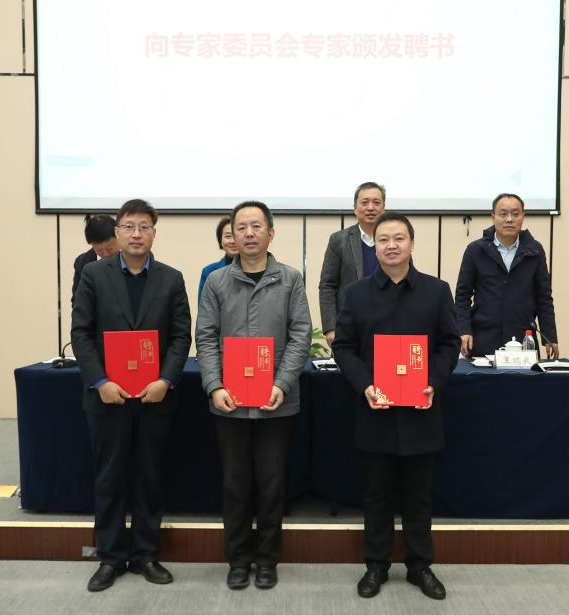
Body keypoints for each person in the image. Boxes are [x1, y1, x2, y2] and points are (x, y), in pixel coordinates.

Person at [331, 212, 461, 601]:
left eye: (399, 238)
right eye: (384, 239)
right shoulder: (356, 294)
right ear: (375, 247)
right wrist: (366, 386)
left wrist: (433, 382)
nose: (391, 245)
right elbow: (344, 348)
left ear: (412, 244)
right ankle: (376, 565)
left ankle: (420, 566)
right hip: (377, 409)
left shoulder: (436, 291)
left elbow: (449, 344)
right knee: (377, 495)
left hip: (421, 410)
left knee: (419, 495)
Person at [70, 199, 192, 592]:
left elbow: (181, 336)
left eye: (144, 227)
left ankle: (145, 555)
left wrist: (166, 380)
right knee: (109, 478)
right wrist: (100, 381)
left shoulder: (171, 278)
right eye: (129, 227)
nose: (136, 234)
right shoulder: (94, 274)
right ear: (117, 232)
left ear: (154, 232)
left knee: (149, 477)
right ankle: (109, 557)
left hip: (155, 397)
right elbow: (81, 333)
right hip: (109, 397)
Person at [195, 201, 312, 591]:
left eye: (256, 226)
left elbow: (300, 335)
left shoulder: (290, 279)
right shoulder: (216, 282)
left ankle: (267, 559)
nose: (248, 233)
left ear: (270, 234)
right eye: (241, 227)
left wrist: (282, 383)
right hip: (229, 403)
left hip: (277, 402)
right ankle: (238, 559)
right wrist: (214, 386)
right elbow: (205, 337)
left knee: (272, 484)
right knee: (235, 484)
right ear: (232, 234)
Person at [454, 193, 559, 359]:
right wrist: (464, 330)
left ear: (523, 217)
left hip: (523, 339)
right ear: (493, 217)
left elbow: (544, 298)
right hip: (483, 338)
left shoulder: (535, 251)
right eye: (503, 214)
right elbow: (462, 296)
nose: (509, 219)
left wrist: (550, 337)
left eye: (515, 214)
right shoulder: (475, 250)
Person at [319, 181, 386, 346]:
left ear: (383, 208)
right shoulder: (339, 240)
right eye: (365, 202)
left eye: (376, 202)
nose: (370, 208)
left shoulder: (394, 242)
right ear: (355, 208)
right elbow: (327, 285)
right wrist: (330, 328)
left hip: (387, 325)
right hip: (349, 327)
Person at [72, 214, 118, 307]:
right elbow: (77, 302)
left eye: (109, 249)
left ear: (118, 235)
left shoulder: (132, 257)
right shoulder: (83, 262)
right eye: (99, 250)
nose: (105, 254)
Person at [197, 216, 238, 297]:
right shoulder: (209, 271)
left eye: (236, 236)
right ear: (220, 241)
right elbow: (204, 304)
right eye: (228, 236)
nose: (233, 241)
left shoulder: (254, 269)